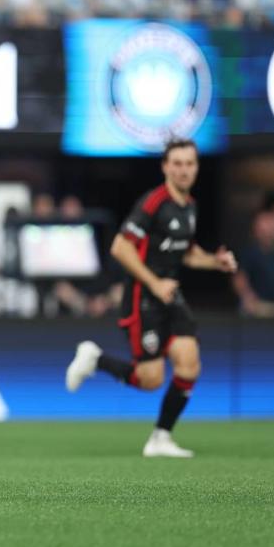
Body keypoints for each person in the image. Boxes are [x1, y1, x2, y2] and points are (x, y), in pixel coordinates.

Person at [64, 139, 237, 458]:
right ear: (166, 167)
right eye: (178, 164)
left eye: (190, 164)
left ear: (197, 167)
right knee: (150, 379)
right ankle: (95, 358)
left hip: (170, 295)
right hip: (143, 297)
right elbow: (120, 247)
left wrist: (215, 261)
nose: (184, 170)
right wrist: (155, 283)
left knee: (189, 362)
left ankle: (161, 438)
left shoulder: (189, 206)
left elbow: (185, 253)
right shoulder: (153, 203)